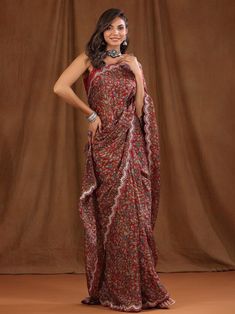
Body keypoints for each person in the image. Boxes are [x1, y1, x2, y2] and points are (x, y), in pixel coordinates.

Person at [53, 7, 176, 312]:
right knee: (109, 220)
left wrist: (136, 71)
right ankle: (110, 290)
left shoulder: (133, 63)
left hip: (131, 148)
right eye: (109, 28)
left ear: (126, 32)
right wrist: (89, 113)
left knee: (133, 220)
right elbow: (59, 87)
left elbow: (138, 111)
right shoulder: (89, 60)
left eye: (120, 28)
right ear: (101, 31)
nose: (115, 33)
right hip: (104, 149)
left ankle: (139, 291)